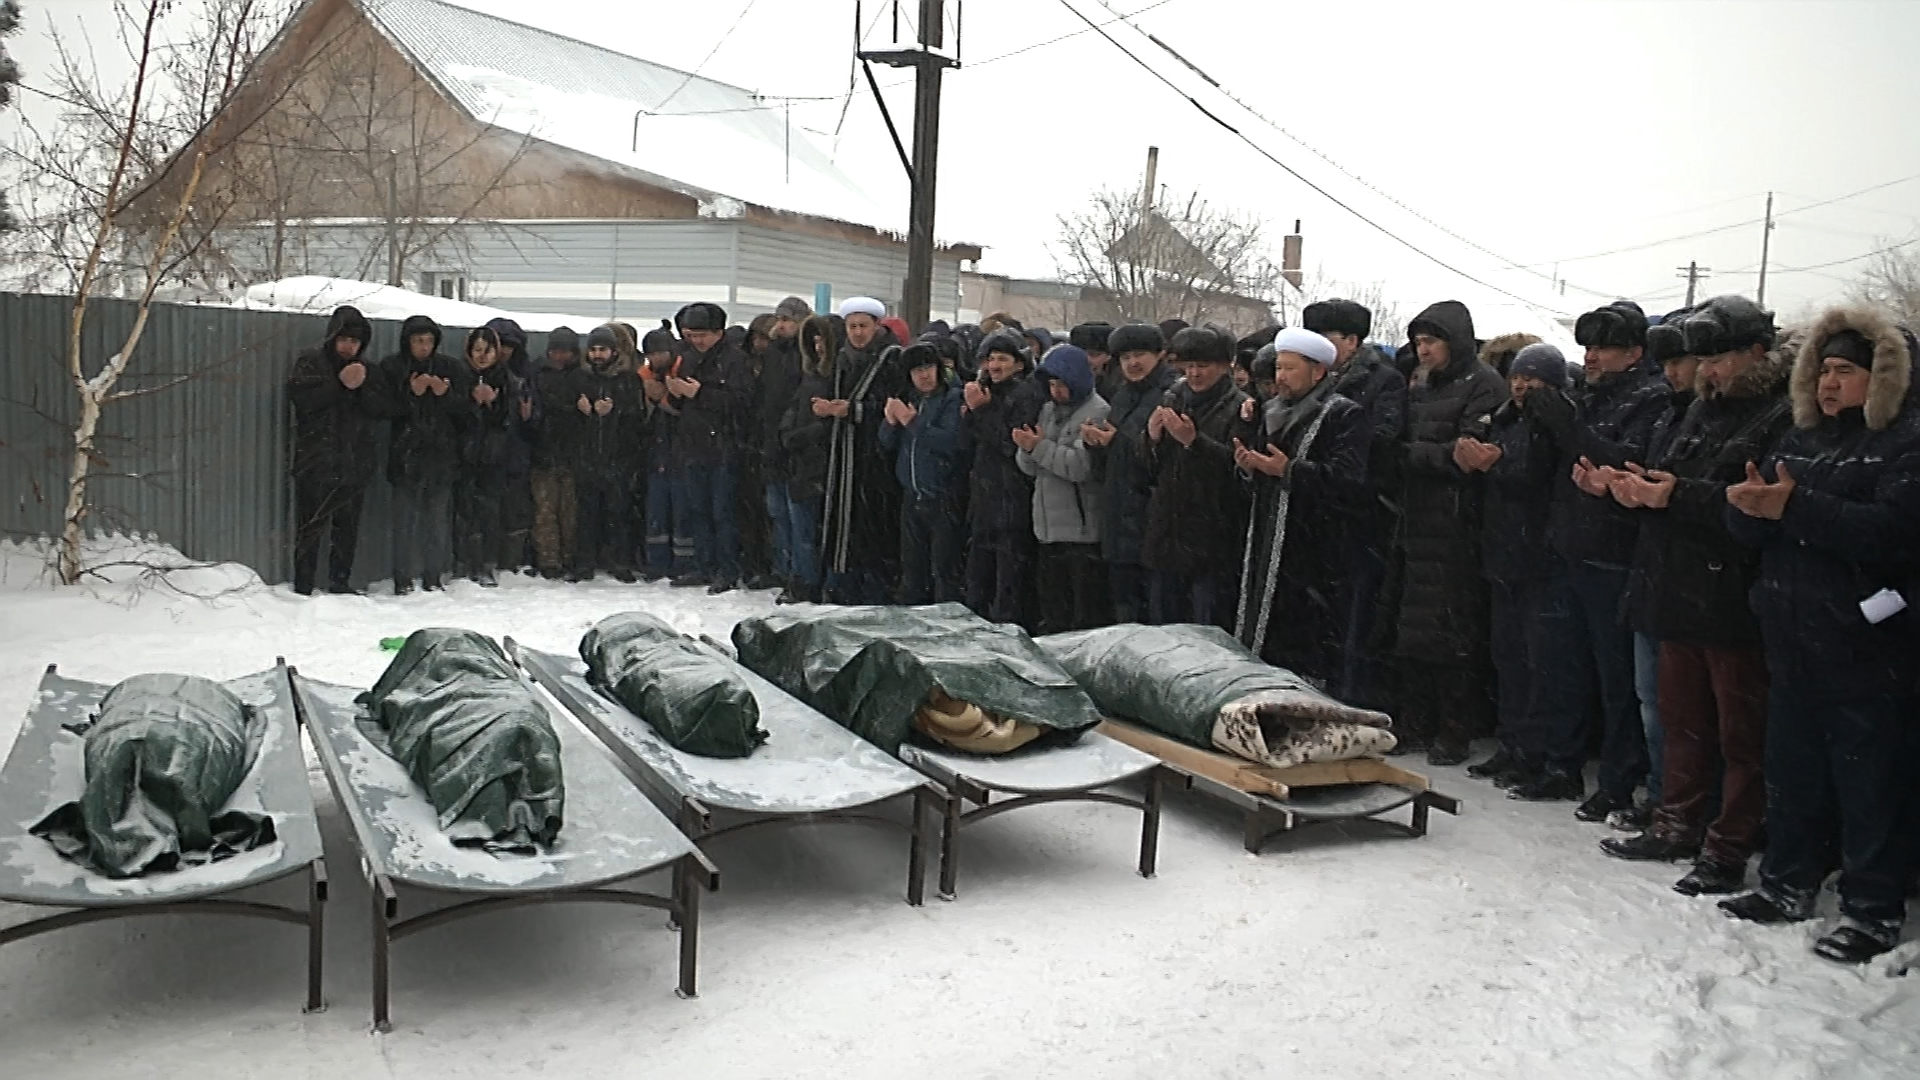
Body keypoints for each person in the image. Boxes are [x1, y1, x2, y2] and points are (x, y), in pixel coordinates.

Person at [1719, 304, 1920, 963]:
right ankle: (1787, 882)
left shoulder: (1906, 442)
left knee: (1870, 786)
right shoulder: (1803, 438)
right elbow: (1762, 524)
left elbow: (1891, 532)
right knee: (1794, 773)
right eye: (1824, 370)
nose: (1829, 383)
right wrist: (1747, 508)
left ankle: (1872, 909)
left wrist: (1794, 505)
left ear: (1884, 378)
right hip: (1794, 634)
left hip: (1869, 645)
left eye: (1845, 372)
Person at [1598, 296, 1791, 897]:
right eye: (1702, 359)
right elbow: (1677, 482)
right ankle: (1675, 823)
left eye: (1718, 358)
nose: (1707, 370)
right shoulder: (1700, 410)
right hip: (1677, 587)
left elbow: (1751, 504)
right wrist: (1637, 491)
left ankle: (1729, 845)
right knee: (1681, 721)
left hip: (1733, 598)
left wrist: (1674, 495)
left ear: (1756, 353)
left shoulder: (1780, 414)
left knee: (1740, 736)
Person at [1505, 301, 1672, 811]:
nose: (1591, 357)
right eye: (1588, 348)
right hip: (1568, 546)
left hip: (1613, 553)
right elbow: (1549, 467)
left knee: (1616, 679)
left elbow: (1628, 462)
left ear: (1634, 353)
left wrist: (1567, 427)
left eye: (1603, 348)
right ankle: (1562, 765)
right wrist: (1535, 422)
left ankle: (1618, 781)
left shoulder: (1651, 398)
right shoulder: (1587, 394)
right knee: (1564, 667)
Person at [1383, 300, 1509, 765]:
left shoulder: (1483, 385)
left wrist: (1414, 455)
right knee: (1411, 633)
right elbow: (1409, 447)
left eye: (1432, 342)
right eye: (1419, 342)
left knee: (1452, 634)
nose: (1423, 351)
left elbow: (1466, 454)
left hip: (1458, 525)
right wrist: (1422, 454)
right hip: (1415, 520)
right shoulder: (1421, 385)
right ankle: (1416, 722)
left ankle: (1454, 730)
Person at [1232, 328, 1369, 683]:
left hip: (1315, 549)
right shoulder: (1270, 411)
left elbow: (1348, 481)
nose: (1280, 377)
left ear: (1318, 371)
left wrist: (1290, 470)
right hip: (1268, 542)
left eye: (1290, 369)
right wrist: (1249, 468)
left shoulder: (1343, 414)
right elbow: (1259, 474)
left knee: (1306, 636)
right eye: (1278, 368)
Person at [1454, 344, 1564, 786]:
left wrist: (1497, 464)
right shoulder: (1503, 419)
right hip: (1502, 552)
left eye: (1531, 378)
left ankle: (1536, 750)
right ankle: (1511, 741)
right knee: (1508, 657)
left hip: (1538, 557)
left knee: (1539, 662)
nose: (1520, 386)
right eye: (1517, 377)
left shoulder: (1553, 423)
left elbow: (1541, 476)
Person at [1303, 299, 1408, 708]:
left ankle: (1351, 692)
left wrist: (1337, 439)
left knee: (1356, 608)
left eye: (1327, 339)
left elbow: (1383, 436)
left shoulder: (1383, 381)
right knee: (1318, 605)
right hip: (1318, 506)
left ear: (1351, 341)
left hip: (1361, 509)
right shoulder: (1315, 378)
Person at [1142, 325, 1254, 627]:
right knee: (1163, 623)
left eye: (1203, 366)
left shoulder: (1240, 407)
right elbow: (1150, 471)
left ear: (1224, 366)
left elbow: (1236, 470)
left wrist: (1195, 442)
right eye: (1188, 365)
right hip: (1168, 530)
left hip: (1211, 535)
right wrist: (1152, 438)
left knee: (1205, 624)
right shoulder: (1173, 398)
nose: (1194, 373)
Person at [1018, 343, 1111, 634]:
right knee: (1053, 612)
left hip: (1081, 531)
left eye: (1062, 384)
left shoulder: (1097, 411)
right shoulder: (1047, 410)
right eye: (1052, 385)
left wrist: (1038, 447)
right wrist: (1027, 449)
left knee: (1082, 617)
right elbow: (1030, 467)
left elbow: (1079, 467)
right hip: (1047, 528)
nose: (1056, 391)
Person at [1085, 324, 1175, 624]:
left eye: (1140, 355)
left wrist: (1116, 443)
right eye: (1125, 357)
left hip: (1151, 517)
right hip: (1119, 514)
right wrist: (1096, 445)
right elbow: (1108, 462)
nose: (1133, 363)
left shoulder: (1170, 395)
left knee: (1154, 609)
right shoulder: (1122, 395)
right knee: (1123, 604)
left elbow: (1161, 458)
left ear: (1159, 355)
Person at [819, 296, 907, 604]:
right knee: (844, 522)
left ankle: (873, 590)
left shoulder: (891, 358)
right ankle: (844, 584)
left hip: (876, 457)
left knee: (873, 525)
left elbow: (893, 404)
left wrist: (855, 411)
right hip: (844, 454)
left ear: (876, 326)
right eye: (852, 326)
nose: (857, 333)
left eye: (863, 326)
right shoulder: (842, 358)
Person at [287, 305, 379, 596]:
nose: (349, 346)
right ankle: (303, 585)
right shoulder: (311, 362)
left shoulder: (367, 369)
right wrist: (339, 385)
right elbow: (303, 401)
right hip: (316, 461)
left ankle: (340, 582)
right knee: (310, 527)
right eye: (344, 339)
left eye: (355, 341)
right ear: (332, 338)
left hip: (353, 462)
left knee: (347, 529)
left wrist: (363, 387)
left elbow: (384, 407)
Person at [961, 328, 1043, 626]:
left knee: (1008, 582)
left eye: (1002, 359)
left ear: (1019, 363)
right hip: (985, 499)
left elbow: (1010, 444)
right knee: (979, 577)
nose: (994, 366)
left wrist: (979, 412)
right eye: (990, 359)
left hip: (1011, 501)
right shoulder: (986, 392)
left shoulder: (1026, 395)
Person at [668, 301, 749, 593]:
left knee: (722, 512)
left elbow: (741, 402)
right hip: (693, 444)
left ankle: (727, 569)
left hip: (723, 446)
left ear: (718, 332)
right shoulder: (687, 357)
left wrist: (700, 393)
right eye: (692, 335)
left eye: (702, 335)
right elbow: (682, 404)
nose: (697, 341)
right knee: (698, 510)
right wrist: (675, 394)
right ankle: (704, 565)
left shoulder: (735, 360)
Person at [377, 315, 459, 595]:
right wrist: (410, 393)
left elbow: (465, 411)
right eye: (418, 341)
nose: (424, 347)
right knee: (404, 523)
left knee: (436, 523)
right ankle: (402, 579)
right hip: (405, 456)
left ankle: (432, 577)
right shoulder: (392, 367)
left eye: (429, 341)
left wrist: (444, 394)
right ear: (407, 342)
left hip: (440, 456)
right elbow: (382, 408)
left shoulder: (449, 368)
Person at [880, 343, 965, 604]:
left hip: (942, 497)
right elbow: (885, 443)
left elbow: (949, 442)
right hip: (912, 495)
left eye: (928, 368)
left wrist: (912, 422)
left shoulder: (952, 398)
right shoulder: (910, 398)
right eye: (917, 371)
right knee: (912, 569)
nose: (924, 375)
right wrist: (890, 422)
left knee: (944, 570)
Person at [564, 325, 642, 582]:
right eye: (594, 350)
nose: (597, 355)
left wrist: (613, 412)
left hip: (617, 457)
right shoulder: (579, 378)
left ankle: (618, 561)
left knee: (617, 513)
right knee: (586, 514)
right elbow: (563, 415)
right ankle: (584, 562)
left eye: (603, 350)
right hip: (586, 456)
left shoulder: (628, 380)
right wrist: (582, 412)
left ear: (614, 351)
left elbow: (637, 418)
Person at [774, 315, 842, 604]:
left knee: (810, 532)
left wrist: (801, 435)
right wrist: (790, 434)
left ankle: (810, 583)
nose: (818, 347)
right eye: (813, 341)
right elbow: (793, 411)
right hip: (801, 462)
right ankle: (801, 580)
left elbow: (829, 425)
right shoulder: (810, 376)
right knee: (798, 529)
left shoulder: (836, 376)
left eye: (822, 341)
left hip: (819, 464)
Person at [448, 326, 521, 587]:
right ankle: (463, 562)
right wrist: (471, 403)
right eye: (477, 350)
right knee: (463, 511)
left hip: (494, 456)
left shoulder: (506, 379)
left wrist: (492, 404)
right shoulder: (459, 375)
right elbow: (451, 416)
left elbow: (511, 422)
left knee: (490, 510)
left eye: (487, 350)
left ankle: (488, 563)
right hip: (464, 454)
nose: (482, 356)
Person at [756, 296, 811, 593]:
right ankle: (781, 568)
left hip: (795, 441)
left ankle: (800, 575)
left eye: (788, 319)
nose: (782, 325)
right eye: (779, 319)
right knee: (778, 513)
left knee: (797, 515)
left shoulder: (806, 353)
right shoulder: (774, 352)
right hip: (772, 439)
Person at [636, 322, 691, 579]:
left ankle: (684, 563)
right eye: (651, 354)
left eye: (659, 353)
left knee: (682, 511)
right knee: (656, 510)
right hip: (656, 452)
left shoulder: (685, 372)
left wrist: (661, 399)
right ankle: (656, 562)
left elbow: (687, 413)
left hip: (682, 452)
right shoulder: (643, 377)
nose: (655, 358)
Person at [529, 326, 583, 579]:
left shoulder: (581, 376)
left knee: (569, 511)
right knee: (545, 511)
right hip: (543, 449)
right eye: (555, 351)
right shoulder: (537, 373)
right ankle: (548, 559)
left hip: (572, 452)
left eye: (565, 352)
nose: (559, 356)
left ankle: (570, 556)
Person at [484, 318, 537, 574]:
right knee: (484, 508)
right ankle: (483, 560)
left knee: (515, 509)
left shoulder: (525, 375)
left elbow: (535, 418)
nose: (504, 351)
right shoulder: (478, 372)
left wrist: (529, 417)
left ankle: (512, 560)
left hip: (516, 452)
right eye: (500, 345)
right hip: (484, 452)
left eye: (509, 346)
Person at [1071, 322, 1121, 402]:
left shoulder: (1121, 390)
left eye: (1094, 355)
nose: (1087, 360)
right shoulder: (1060, 386)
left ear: (1109, 356)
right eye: (1080, 354)